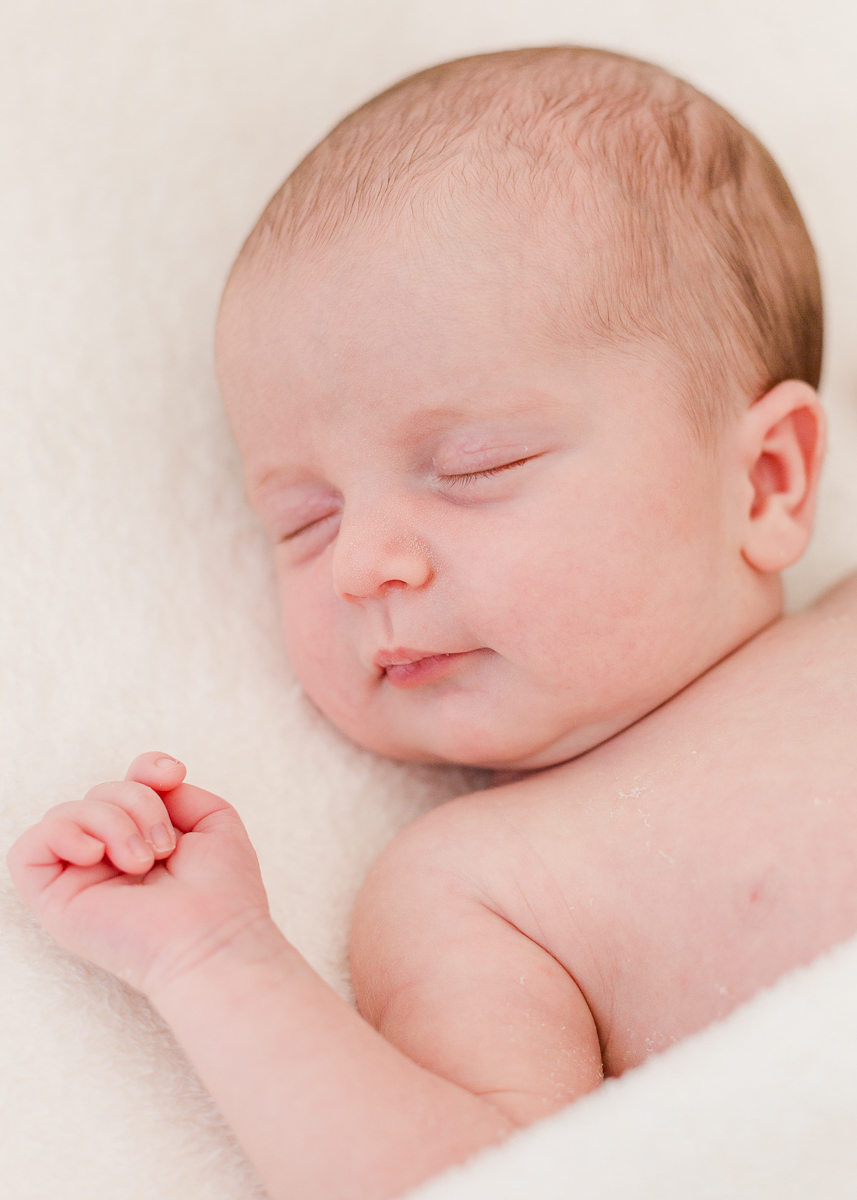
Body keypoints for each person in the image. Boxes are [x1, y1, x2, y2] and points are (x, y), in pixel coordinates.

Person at [8, 46, 857, 1200]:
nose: (362, 562)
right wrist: (213, 958)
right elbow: (472, 1180)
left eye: (474, 465)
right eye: (301, 521)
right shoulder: (472, 886)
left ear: (762, 483)